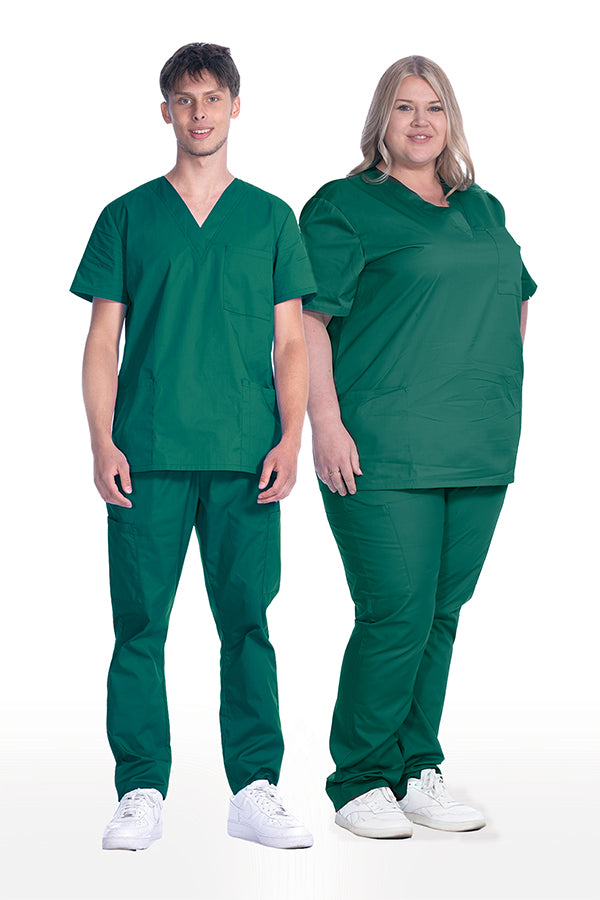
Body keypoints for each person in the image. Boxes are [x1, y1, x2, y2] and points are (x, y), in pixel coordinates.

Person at [70, 42, 316, 851]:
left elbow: (290, 343)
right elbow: (102, 340)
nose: (199, 113)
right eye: (184, 99)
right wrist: (102, 440)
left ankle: (254, 788)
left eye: (213, 98)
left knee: (247, 623)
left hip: (247, 454)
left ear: (235, 106)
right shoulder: (128, 216)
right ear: (165, 111)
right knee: (140, 626)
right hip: (147, 452)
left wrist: (290, 435)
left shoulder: (271, 218)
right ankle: (140, 788)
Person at [300, 55, 537, 840]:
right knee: (395, 612)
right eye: (404, 107)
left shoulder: (482, 207)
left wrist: (490, 383)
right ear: (383, 120)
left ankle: (414, 769)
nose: (421, 121)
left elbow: (516, 297)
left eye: (434, 107)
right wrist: (325, 420)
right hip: (383, 445)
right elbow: (306, 321)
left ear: (450, 119)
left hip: (477, 443)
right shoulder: (344, 207)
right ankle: (360, 778)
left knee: (439, 614)